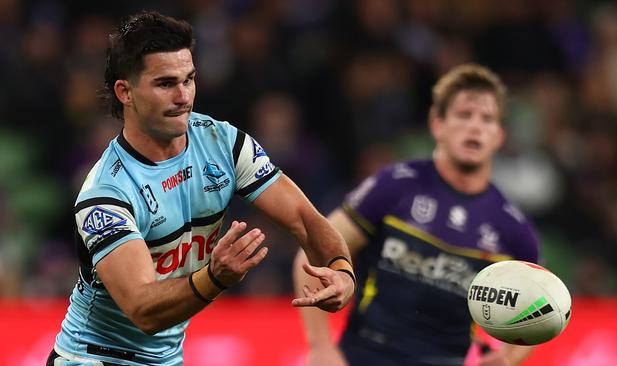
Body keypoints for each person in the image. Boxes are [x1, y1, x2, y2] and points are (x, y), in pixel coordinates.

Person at [47, 11, 355, 366]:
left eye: (189, 80)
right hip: (92, 358)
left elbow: (303, 218)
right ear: (125, 91)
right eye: (165, 84)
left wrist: (341, 269)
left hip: (166, 360)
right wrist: (214, 277)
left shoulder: (222, 142)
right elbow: (144, 310)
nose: (183, 97)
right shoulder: (106, 193)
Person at [293, 64, 540, 366]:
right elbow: (312, 253)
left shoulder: (513, 229)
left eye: (487, 119)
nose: (475, 127)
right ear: (438, 125)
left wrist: (508, 359)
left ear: (499, 136)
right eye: (464, 115)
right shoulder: (395, 186)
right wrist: (319, 347)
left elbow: (536, 312)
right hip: (365, 355)